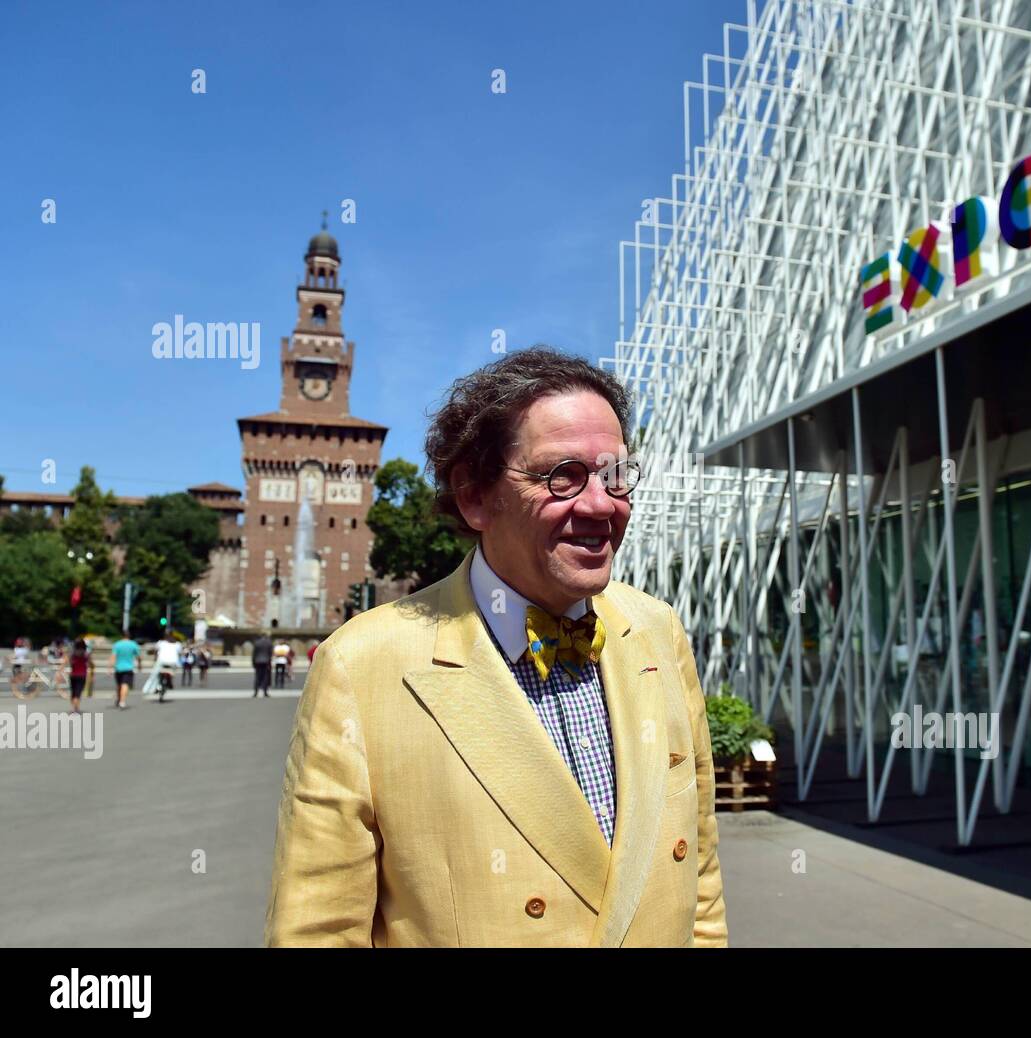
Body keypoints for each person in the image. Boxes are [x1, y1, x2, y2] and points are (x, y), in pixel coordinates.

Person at [266, 347, 727, 947]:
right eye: (562, 475)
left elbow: (701, 881)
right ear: (475, 496)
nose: (600, 505)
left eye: (615, 475)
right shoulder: (362, 666)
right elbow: (317, 930)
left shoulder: (658, 630)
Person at [111, 632, 141, 710]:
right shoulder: (133, 644)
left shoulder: (117, 644)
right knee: (125, 685)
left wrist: (110, 667)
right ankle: (122, 701)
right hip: (128, 668)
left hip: (118, 668)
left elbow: (113, 656)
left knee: (119, 685)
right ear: (129, 636)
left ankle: (119, 698)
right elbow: (138, 656)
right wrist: (139, 665)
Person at [68, 638, 90, 714]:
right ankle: (75, 709)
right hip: (82, 675)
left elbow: (70, 663)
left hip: (73, 675)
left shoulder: (73, 654)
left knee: (73, 692)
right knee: (78, 693)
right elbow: (90, 663)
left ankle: (75, 708)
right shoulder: (86, 654)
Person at [155, 637, 180, 702]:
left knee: (158, 675)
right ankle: (169, 683)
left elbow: (156, 650)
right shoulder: (177, 645)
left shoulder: (161, 643)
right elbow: (179, 653)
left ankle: (158, 686)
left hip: (162, 662)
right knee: (172, 672)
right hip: (172, 663)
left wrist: (155, 658)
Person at [251, 632, 273, 698]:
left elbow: (254, 654)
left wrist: (253, 662)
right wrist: (269, 662)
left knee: (257, 676)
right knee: (265, 677)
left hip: (258, 661)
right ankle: (265, 692)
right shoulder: (269, 642)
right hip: (266, 661)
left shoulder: (257, 642)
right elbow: (270, 653)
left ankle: (255, 692)